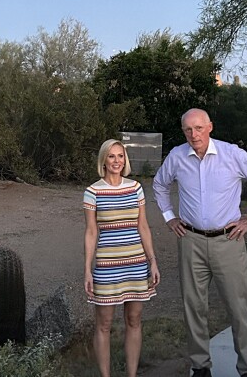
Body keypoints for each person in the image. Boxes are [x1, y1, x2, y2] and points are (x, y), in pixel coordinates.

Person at [153, 108, 247, 377]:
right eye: (187, 129)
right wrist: (169, 217)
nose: (193, 134)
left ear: (210, 127)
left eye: (198, 128)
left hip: (228, 241)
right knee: (194, 307)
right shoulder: (177, 156)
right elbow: (159, 185)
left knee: (238, 307)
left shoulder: (231, 154)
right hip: (190, 240)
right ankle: (200, 367)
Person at [84, 139, 161, 377]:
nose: (116, 161)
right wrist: (87, 269)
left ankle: (132, 374)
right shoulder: (93, 192)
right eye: (111, 156)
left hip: (135, 263)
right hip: (107, 266)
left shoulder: (136, 188)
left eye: (120, 156)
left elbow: (143, 226)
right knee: (104, 324)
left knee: (134, 320)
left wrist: (153, 260)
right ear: (103, 161)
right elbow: (91, 232)